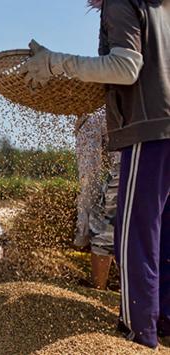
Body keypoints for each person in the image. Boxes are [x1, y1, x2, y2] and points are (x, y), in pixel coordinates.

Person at [22, 0, 170, 348]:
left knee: (134, 235)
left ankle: (138, 333)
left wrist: (56, 63)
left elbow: (125, 68)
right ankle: (163, 319)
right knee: (164, 232)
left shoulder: (121, 1)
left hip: (148, 131)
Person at [74, 112, 120, 290]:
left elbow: (89, 179)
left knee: (102, 221)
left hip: (130, 163)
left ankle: (99, 289)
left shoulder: (91, 117)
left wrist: (82, 234)